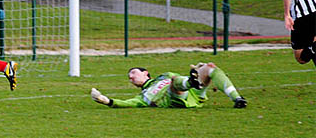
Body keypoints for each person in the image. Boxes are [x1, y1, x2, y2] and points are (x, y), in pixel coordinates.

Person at [91, 62, 247, 109]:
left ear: (146, 73)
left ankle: (237, 99)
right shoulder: (143, 97)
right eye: (129, 77)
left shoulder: (165, 75)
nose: (130, 77)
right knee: (176, 83)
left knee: (210, 67)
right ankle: (191, 81)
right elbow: (126, 103)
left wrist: (200, 69)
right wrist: (106, 101)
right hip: (176, 98)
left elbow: (176, 77)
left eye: (133, 73)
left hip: (193, 94)